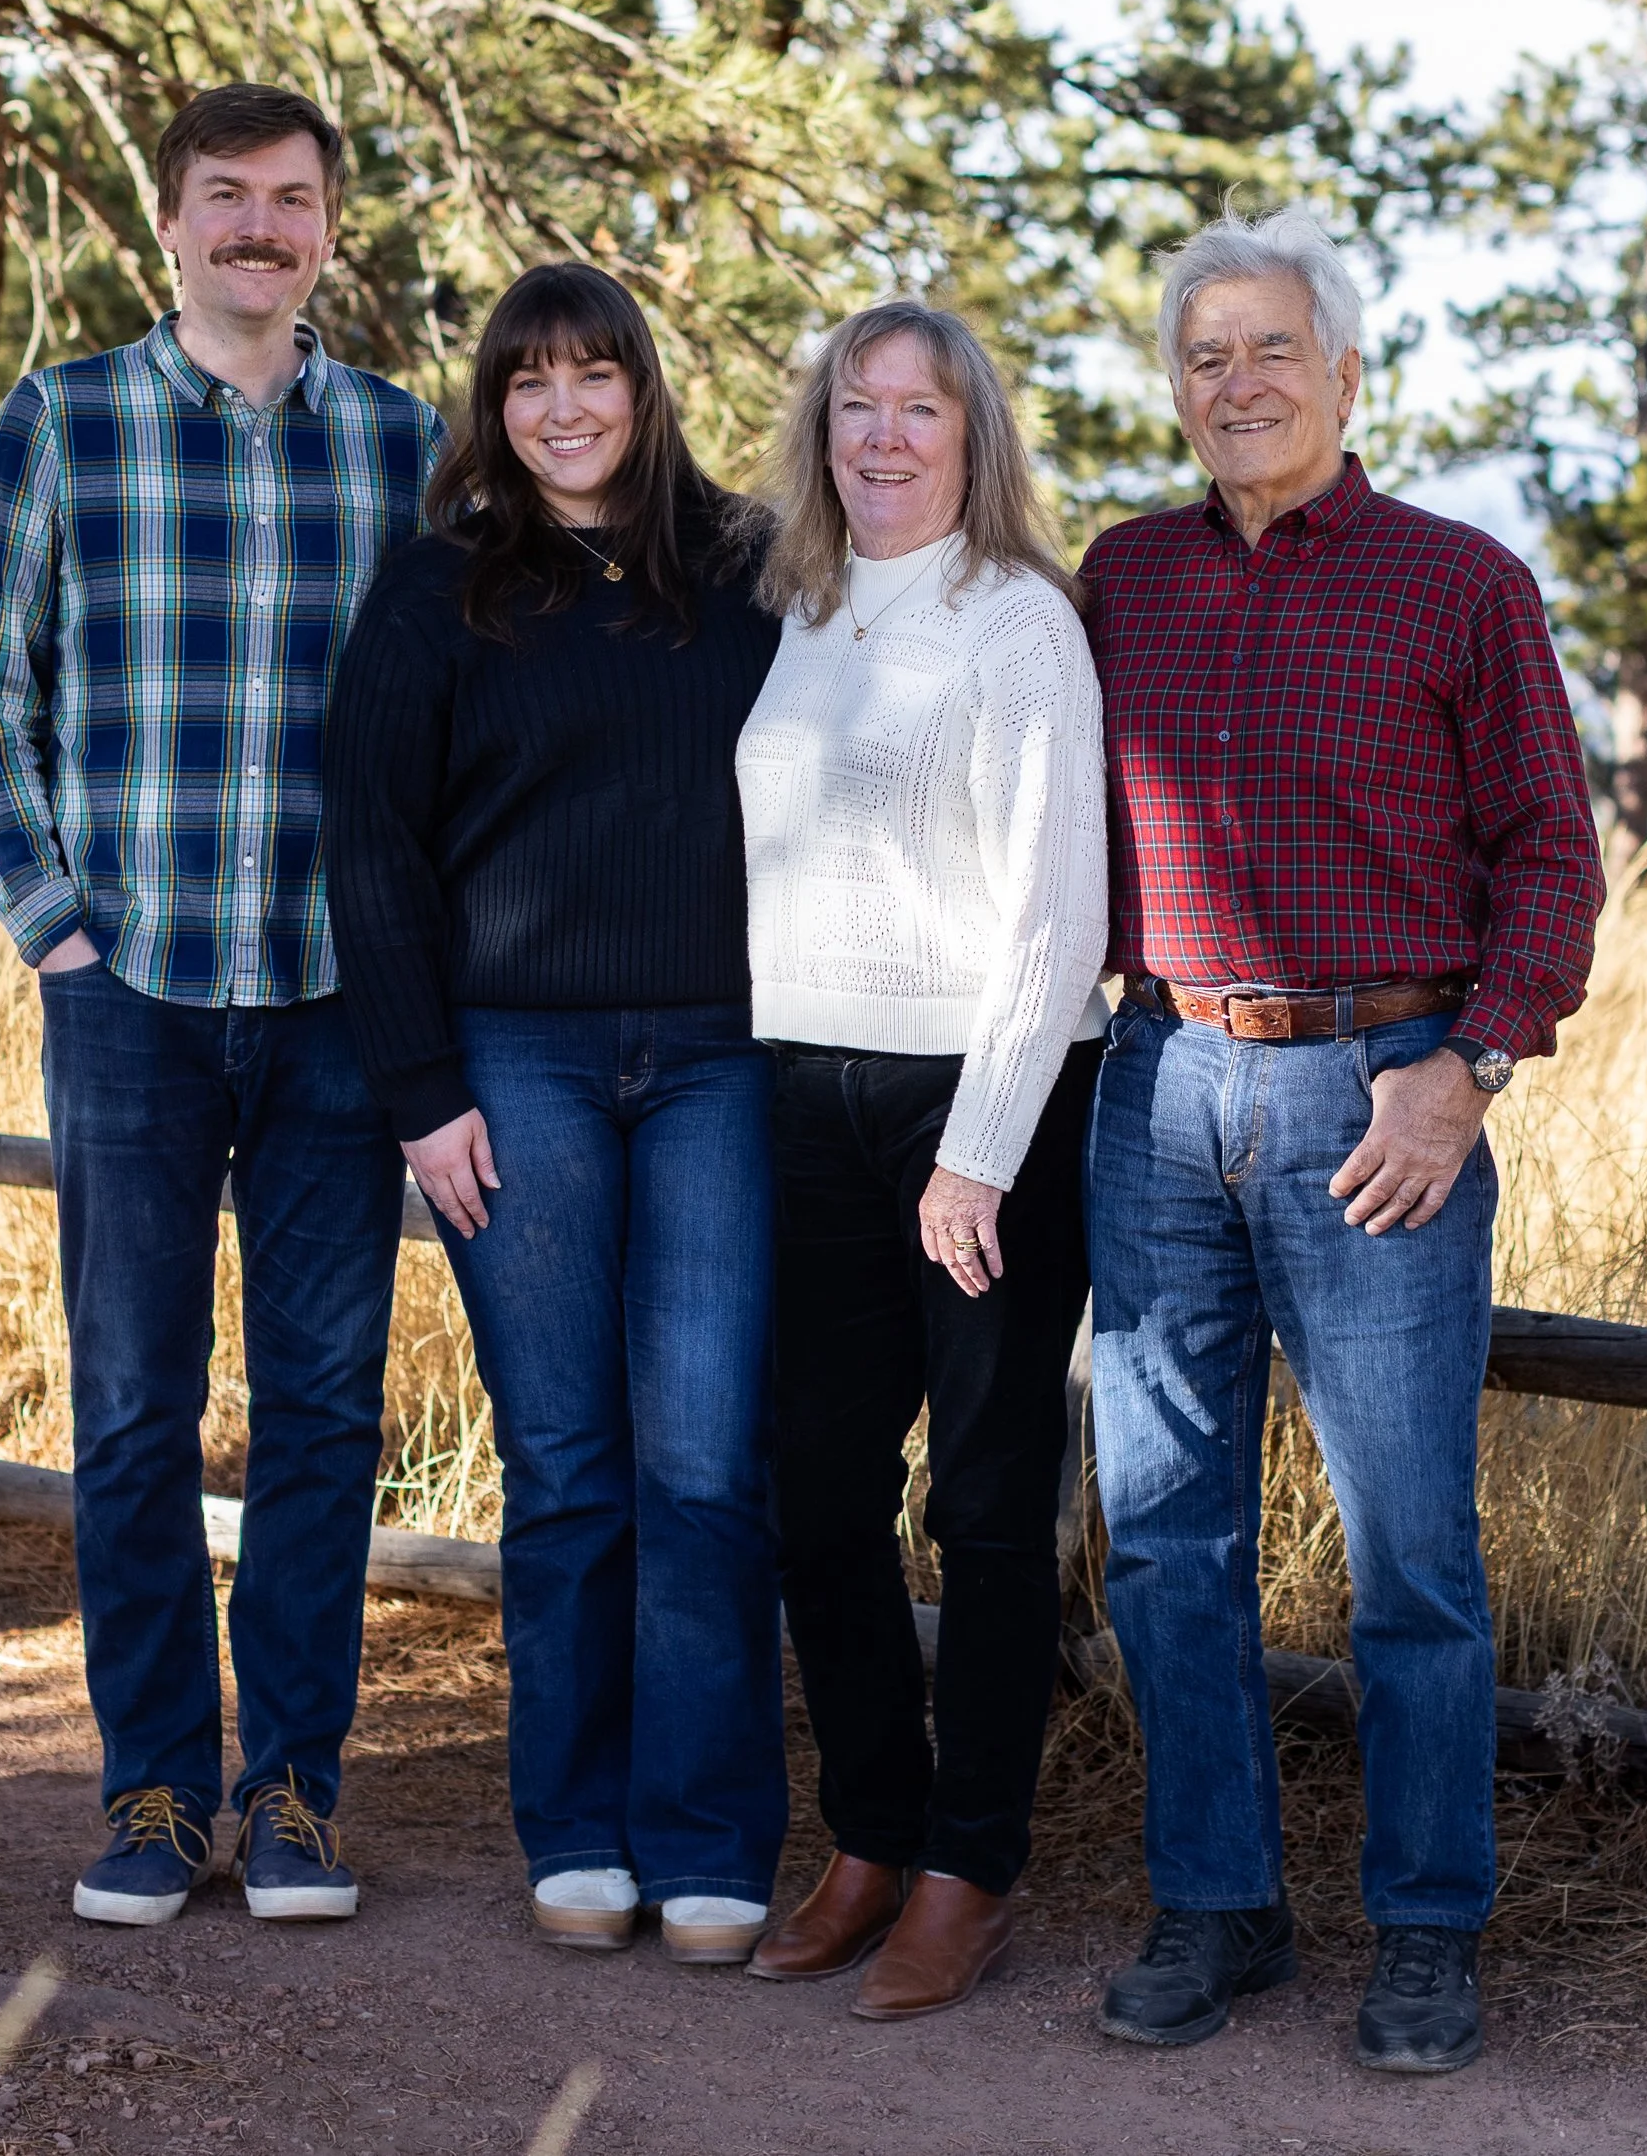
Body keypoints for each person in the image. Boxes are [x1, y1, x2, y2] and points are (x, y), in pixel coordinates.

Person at [1080, 201, 1604, 2075]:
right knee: (1161, 1542)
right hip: (1151, 1094)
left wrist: (1466, 1066)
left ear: (1346, 375)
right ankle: (1216, 1908)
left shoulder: (1457, 582)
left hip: (1378, 1103)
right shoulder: (1118, 578)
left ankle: (1427, 1929)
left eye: (1270, 350)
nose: (1237, 382)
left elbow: (1550, 858)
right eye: (1205, 354)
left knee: (1408, 1554)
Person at [0, 82, 442, 1928]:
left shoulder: (402, 447)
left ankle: (296, 1792)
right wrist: (55, 923)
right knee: (137, 1409)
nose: (257, 227)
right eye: (224, 198)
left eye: (290, 200)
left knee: (322, 1409)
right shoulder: (63, 420)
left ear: (328, 229)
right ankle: (151, 1791)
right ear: (169, 225)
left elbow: (461, 711)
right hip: (130, 992)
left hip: (332, 1002)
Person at [322, 263, 786, 1965]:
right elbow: (367, 844)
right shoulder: (439, 587)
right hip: (510, 1066)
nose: (564, 409)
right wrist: (420, 1093)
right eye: (529, 384)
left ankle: (714, 1836)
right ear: (494, 407)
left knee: (703, 1465)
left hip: (726, 1066)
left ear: (643, 390)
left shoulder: (748, 566)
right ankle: (578, 1827)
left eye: (595, 376)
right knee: (570, 1465)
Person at [735, 302, 1109, 2019]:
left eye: (923, 411)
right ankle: (869, 1836)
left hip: (985, 1106)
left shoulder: (1018, 625)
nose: (884, 436)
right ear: (821, 431)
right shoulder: (796, 610)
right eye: (857, 406)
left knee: (981, 1500)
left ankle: (970, 1864)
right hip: (802, 1093)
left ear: (975, 440)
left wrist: (975, 1154)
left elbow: (1056, 920)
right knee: (813, 1492)